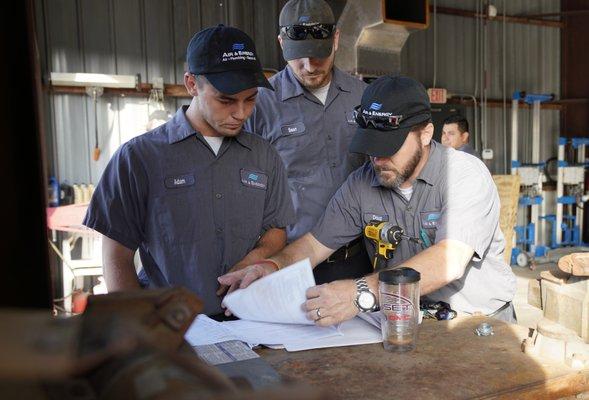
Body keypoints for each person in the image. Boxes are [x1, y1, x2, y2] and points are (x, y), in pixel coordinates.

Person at [220, 75, 517, 324]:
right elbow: (313, 244)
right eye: (371, 148)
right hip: (413, 320)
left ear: (426, 134)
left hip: (479, 322)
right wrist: (272, 266)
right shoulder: (363, 182)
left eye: (390, 146)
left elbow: (448, 261)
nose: (379, 159)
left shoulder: (463, 175)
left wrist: (360, 292)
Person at [83, 25, 295, 316]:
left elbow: (276, 230)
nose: (241, 113)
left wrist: (252, 262)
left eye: (251, 99)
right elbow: (117, 255)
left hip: (250, 323)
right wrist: (138, 328)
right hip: (173, 331)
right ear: (192, 84)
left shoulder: (265, 156)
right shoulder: (139, 157)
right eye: (226, 100)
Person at [244, 0, 371, 285]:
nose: (309, 66)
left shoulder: (363, 97)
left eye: (318, 55)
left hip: (359, 258)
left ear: (336, 40)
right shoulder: (262, 105)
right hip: (292, 264)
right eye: (299, 57)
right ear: (281, 43)